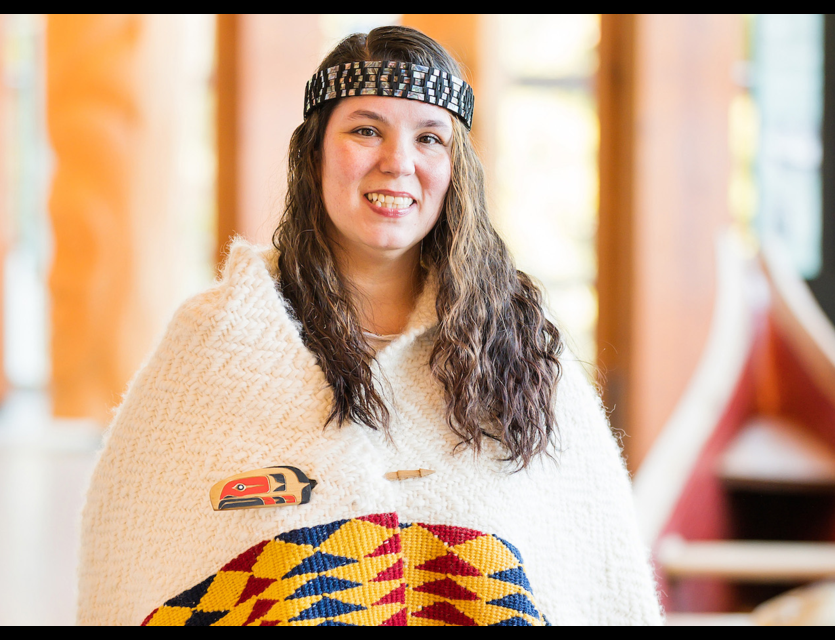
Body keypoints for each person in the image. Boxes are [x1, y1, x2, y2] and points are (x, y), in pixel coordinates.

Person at [77, 25, 663, 626]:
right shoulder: (215, 346)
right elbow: (133, 561)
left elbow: (601, 580)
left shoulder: (521, 353)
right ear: (314, 154)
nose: (397, 162)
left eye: (429, 138)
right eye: (365, 130)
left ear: (456, 169)